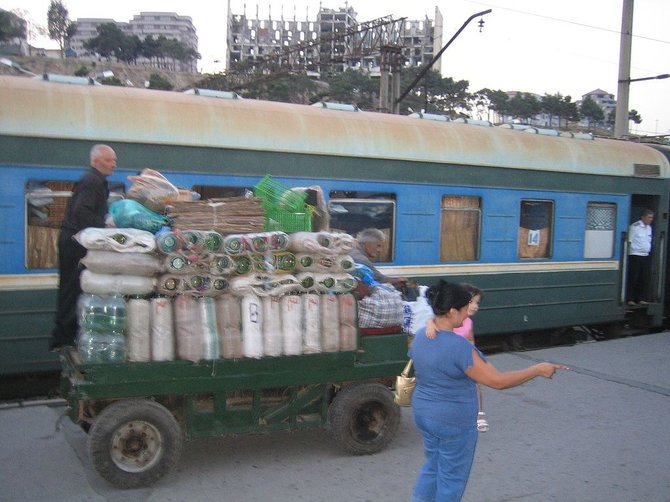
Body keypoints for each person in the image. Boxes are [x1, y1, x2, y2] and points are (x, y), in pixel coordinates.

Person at [409, 280, 567, 502]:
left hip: (424, 413)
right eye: (464, 310)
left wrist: (431, 322)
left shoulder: (421, 336)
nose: (467, 315)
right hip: (452, 420)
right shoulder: (459, 347)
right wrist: (537, 369)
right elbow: (497, 381)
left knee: (432, 466)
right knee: (451, 479)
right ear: (453, 311)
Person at [49, 144, 116, 350]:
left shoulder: (95, 180)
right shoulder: (91, 181)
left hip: (75, 241)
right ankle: (64, 339)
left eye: (114, 161)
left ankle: (68, 336)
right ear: (95, 161)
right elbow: (82, 214)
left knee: (75, 288)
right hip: (75, 243)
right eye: (109, 160)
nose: (113, 165)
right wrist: (106, 224)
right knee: (72, 289)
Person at [426, 283, 489, 432]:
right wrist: (429, 324)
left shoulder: (468, 322)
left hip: (465, 358)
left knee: (476, 385)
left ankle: (479, 414)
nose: (474, 306)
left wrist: (475, 356)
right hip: (448, 361)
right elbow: (432, 321)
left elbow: (470, 339)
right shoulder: (450, 319)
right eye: (471, 302)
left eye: (477, 303)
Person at [627, 209, 654, 305]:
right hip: (635, 255)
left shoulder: (649, 228)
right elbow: (629, 241)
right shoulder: (635, 227)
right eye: (649, 217)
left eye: (651, 218)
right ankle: (630, 298)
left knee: (643, 278)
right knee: (634, 277)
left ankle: (640, 298)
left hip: (645, 255)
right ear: (643, 217)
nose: (651, 219)